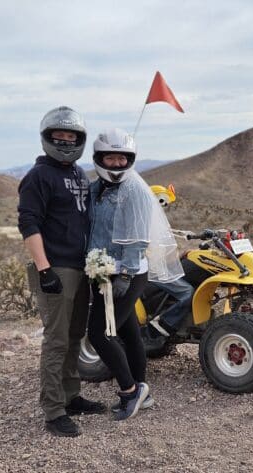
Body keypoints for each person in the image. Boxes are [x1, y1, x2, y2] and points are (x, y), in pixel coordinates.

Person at [17, 106, 105, 438]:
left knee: (73, 336)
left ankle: (70, 395)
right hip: (57, 269)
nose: (66, 142)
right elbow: (28, 222)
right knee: (55, 340)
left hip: (81, 266)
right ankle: (53, 411)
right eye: (60, 136)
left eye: (72, 137)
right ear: (48, 138)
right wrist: (44, 269)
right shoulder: (39, 176)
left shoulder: (77, 173)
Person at [86, 128, 183, 421]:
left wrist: (125, 275)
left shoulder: (134, 190)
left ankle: (130, 391)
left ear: (130, 159)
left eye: (122, 158)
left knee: (99, 333)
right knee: (128, 332)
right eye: (110, 157)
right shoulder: (97, 189)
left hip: (125, 273)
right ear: (99, 158)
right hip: (103, 270)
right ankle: (144, 391)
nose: (116, 164)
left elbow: (138, 237)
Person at [145, 185, 193, 340]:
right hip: (151, 270)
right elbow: (152, 255)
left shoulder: (155, 221)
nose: (165, 207)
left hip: (158, 267)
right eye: (163, 203)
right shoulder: (145, 222)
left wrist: (182, 254)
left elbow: (165, 249)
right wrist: (178, 256)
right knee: (187, 292)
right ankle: (163, 324)